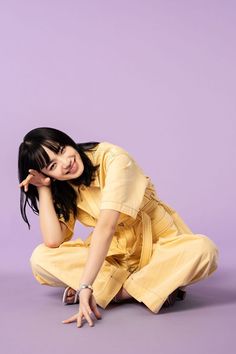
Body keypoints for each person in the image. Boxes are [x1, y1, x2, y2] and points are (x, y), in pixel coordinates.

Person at [18, 127, 219, 328]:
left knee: (204, 250)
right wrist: (43, 188)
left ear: (68, 141)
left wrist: (86, 285)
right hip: (113, 253)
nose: (66, 162)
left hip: (158, 245)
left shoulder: (114, 158)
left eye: (62, 150)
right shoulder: (62, 184)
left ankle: (116, 292)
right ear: (47, 174)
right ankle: (150, 288)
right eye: (53, 165)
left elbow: (106, 227)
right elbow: (54, 240)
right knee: (40, 259)